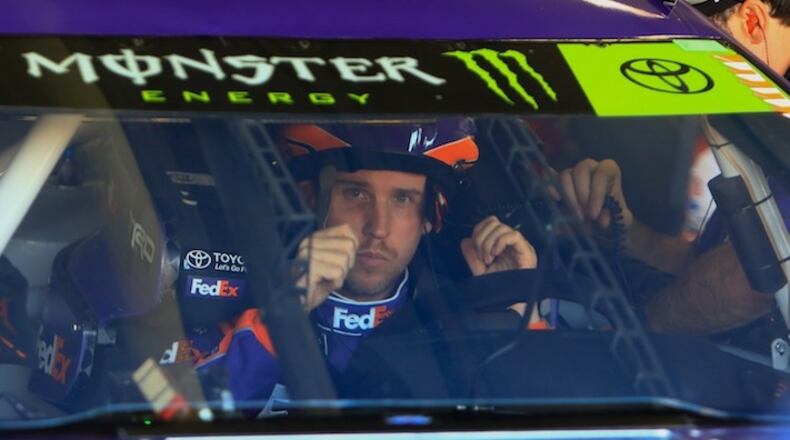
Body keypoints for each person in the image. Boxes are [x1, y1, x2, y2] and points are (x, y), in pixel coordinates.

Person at [196, 120, 541, 402]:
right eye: (355, 193)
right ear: (310, 199)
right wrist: (282, 317)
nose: (378, 227)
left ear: (432, 216)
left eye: (403, 199)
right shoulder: (241, 318)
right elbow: (181, 419)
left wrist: (517, 308)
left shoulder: (464, 328)